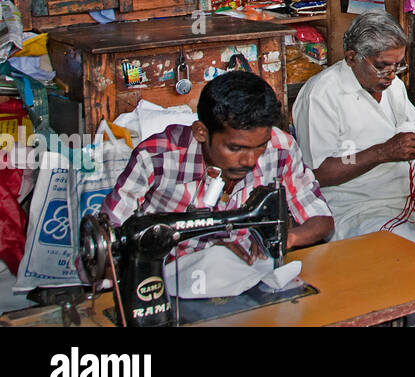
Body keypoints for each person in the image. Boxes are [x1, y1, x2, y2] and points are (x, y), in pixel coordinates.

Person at [101, 71, 333, 263]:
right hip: (169, 276)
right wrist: (202, 257)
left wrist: (286, 238)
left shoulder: (280, 148)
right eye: (235, 148)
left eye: (259, 146)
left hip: (244, 274)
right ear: (201, 132)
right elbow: (109, 240)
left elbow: (321, 219)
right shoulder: (155, 157)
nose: (250, 160)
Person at [293, 13, 415, 249]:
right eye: (382, 66)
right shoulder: (321, 95)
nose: (392, 74)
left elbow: (414, 124)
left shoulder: (392, 86)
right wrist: (381, 153)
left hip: (412, 198)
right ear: (352, 57)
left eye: (398, 65)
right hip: (358, 208)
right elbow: (317, 172)